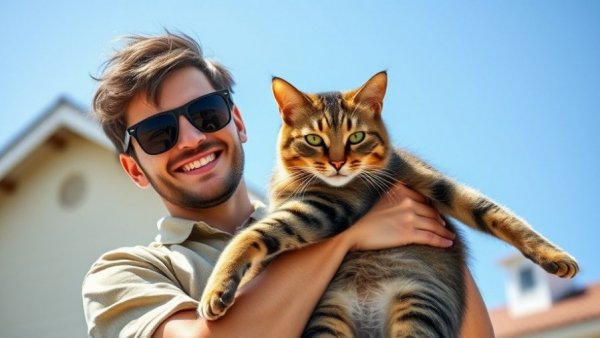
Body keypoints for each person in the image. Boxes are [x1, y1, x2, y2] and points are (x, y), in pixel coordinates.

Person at [82, 31, 494, 337]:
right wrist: (345, 235)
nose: (192, 139)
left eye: (206, 113)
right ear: (134, 169)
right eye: (159, 133)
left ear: (237, 123)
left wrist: (423, 219)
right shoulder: (124, 274)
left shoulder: (380, 207)